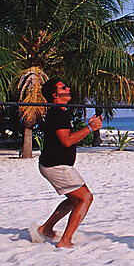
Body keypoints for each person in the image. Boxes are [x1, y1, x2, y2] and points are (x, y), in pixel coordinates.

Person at [34, 78, 102, 248]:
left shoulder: (59, 112)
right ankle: (65, 241)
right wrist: (90, 128)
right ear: (55, 95)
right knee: (85, 198)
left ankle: (46, 229)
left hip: (53, 164)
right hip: (56, 166)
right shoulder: (57, 113)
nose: (68, 88)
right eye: (63, 88)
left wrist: (89, 126)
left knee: (74, 199)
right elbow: (66, 141)